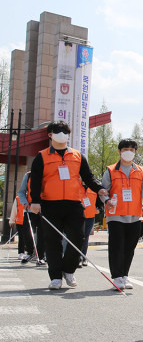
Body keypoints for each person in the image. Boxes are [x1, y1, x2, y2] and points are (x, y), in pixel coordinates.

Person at [28, 121, 108, 289]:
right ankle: (55, 276)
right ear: (49, 135)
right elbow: (35, 180)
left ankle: (69, 270)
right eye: (58, 131)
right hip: (50, 205)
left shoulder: (77, 156)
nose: (62, 134)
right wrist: (35, 201)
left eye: (65, 131)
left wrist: (99, 189)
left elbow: (88, 177)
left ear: (69, 135)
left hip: (73, 204)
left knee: (78, 238)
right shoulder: (42, 156)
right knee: (52, 242)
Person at [102, 138, 143, 290]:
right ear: (119, 151)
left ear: (135, 152)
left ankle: (124, 275)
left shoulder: (141, 171)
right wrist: (106, 200)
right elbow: (103, 190)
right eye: (125, 149)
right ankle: (116, 277)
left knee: (130, 247)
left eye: (132, 150)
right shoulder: (110, 170)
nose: (129, 152)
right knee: (116, 246)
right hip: (116, 214)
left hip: (135, 214)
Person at [17, 172, 46, 265]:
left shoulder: (48, 174)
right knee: (27, 232)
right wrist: (24, 202)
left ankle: (41, 256)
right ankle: (30, 252)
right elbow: (21, 192)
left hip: (43, 209)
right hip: (30, 209)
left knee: (42, 234)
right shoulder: (28, 176)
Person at [79, 183, 101, 267]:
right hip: (78, 216)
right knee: (78, 236)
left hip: (90, 216)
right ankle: (78, 257)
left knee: (85, 237)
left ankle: (83, 257)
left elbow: (99, 202)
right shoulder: (76, 185)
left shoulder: (94, 188)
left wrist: (99, 209)